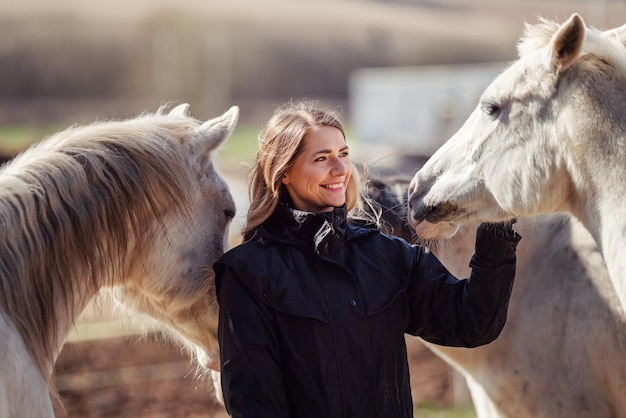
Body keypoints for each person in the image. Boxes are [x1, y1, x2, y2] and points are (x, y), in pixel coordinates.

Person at [213, 100, 521, 418]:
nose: (340, 170)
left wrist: (497, 225)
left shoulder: (386, 255)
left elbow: (471, 323)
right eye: (321, 158)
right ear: (284, 172)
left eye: (343, 155)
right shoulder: (248, 273)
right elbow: (254, 403)